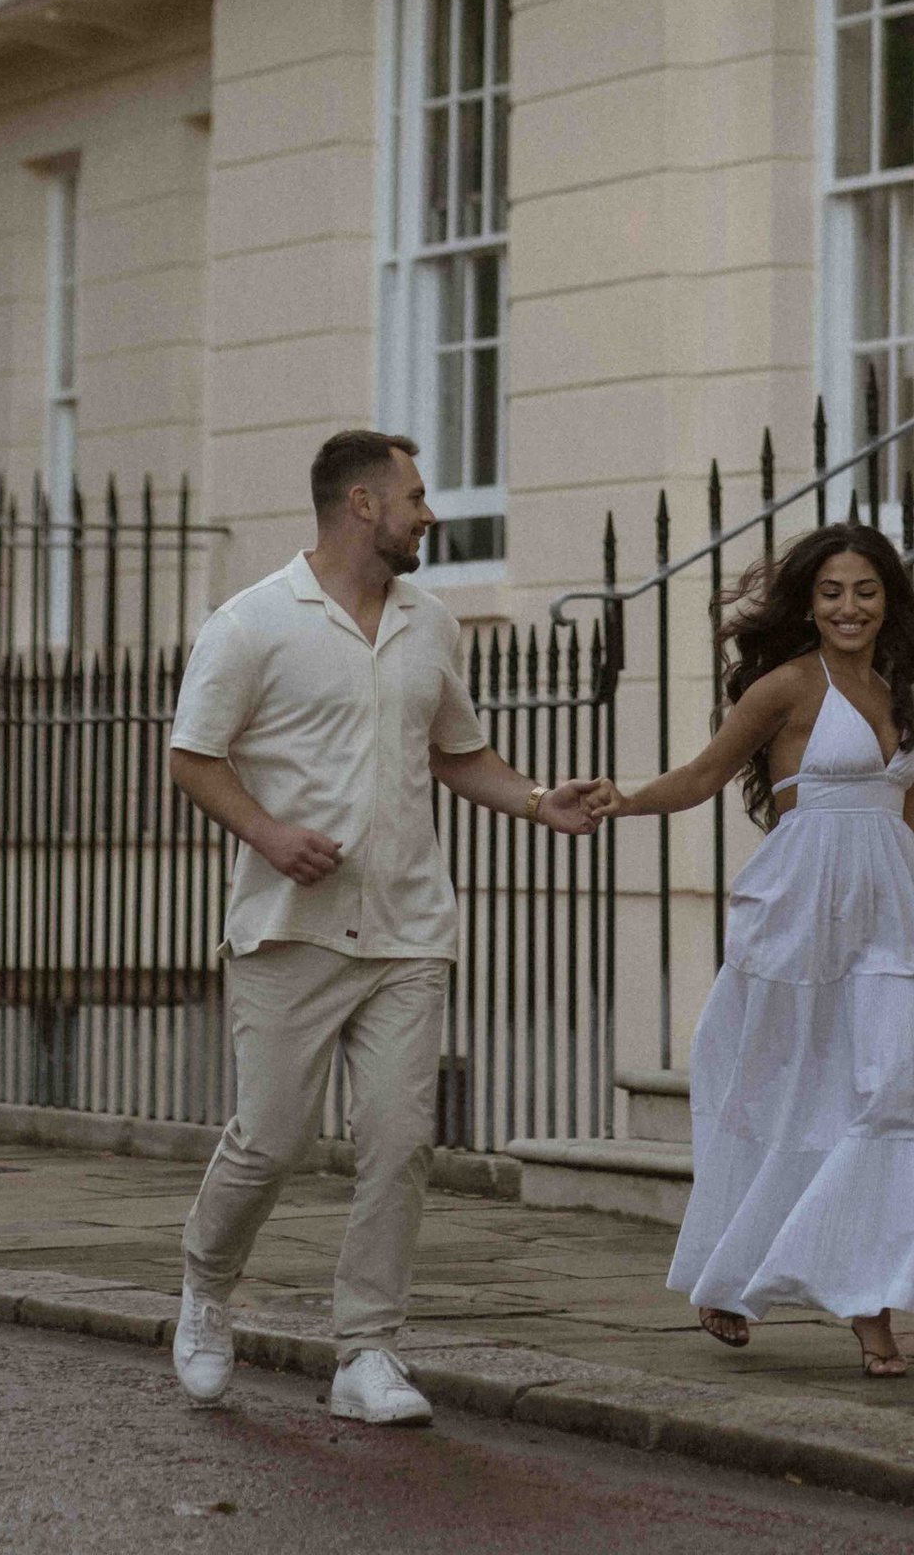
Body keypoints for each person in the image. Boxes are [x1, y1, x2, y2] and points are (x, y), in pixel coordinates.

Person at [165, 428, 605, 1425]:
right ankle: (203, 1286)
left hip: (409, 925)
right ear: (361, 505)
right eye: (414, 497)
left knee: (400, 1141)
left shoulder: (429, 625)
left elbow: (457, 755)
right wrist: (270, 836)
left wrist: (542, 802)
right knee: (270, 1141)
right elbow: (194, 759)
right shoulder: (250, 624)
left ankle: (365, 1351)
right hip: (291, 930)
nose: (429, 513)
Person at [589, 518, 914, 1376]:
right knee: (799, 1094)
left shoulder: (895, 689)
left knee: (892, 1095)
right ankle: (739, 1277)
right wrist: (622, 800)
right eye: (833, 591)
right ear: (810, 601)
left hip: (899, 920)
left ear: (891, 602)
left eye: (867, 591)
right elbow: (703, 776)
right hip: (805, 914)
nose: (850, 607)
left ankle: (869, 1305)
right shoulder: (788, 687)